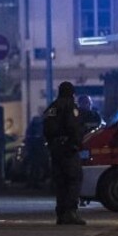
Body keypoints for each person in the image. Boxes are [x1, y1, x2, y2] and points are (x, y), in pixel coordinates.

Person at [42, 81, 87, 225]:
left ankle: (61, 213)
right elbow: (73, 126)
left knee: (60, 181)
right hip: (68, 148)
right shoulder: (70, 106)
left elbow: (46, 128)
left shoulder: (52, 107)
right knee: (74, 179)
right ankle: (71, 212)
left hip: (55, 149)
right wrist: (76, 143)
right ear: (71, 93)